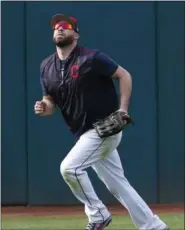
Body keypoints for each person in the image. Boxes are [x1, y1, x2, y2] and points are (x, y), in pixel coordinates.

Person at [34, 14, 169, 230]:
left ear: (75, 34)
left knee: (69, 168)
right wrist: (44, 106)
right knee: (118, 184)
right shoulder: (46, 66)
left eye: (65, 26)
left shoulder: (91, 58)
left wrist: (123, 109)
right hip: (83, 132)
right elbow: (50, 101)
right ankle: (154, 226)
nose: (59, 29)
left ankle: (98, 216)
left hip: (104, 127)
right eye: (56, 27)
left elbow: (124, 75)